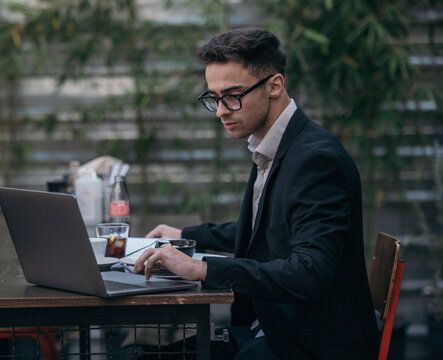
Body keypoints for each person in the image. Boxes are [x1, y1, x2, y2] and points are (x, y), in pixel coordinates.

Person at [133, 27, 378, 359]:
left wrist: (202, 268)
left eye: (232, 95)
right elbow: (269, 227)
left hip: (306, 345)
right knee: (145, 354)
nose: (221, 111)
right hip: (271, 328)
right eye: (213, 98)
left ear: (274, 85)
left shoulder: (315, 159)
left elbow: (310, 272)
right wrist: (184, 236)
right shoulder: (275, 145)